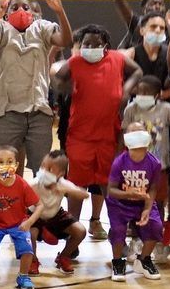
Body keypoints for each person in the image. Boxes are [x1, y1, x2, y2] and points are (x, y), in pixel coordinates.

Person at [52, 24, 142, 241]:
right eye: (87, 44)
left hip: (109, 135)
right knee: (77, 184)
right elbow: (57, 77)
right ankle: (73, 233)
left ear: (106, 46)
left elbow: (137, 71)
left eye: (97, 44)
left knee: (109, 183)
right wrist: (64, 87)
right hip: (79, 136)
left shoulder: (117, 59)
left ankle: (117, 231)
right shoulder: (75, 62)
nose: (91, 47)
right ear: (81, 46)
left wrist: (126, 90)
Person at [0, 0, 73, 172]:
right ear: (6, 14)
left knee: (43, 170)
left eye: (26, 7)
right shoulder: (0, 29)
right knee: (3, 168)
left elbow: (66, 40)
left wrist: (60, 12)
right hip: (7, 112)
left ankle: (39, 192)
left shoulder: (41, 27)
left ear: (32, 13)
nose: (21, 10)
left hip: (38, 111)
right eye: (15, 7)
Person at [121, 75, 170, 260]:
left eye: (146, 92)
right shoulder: (131, 109)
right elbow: (123, 134)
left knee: (158, 203)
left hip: (159, 166)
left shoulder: (166, 109)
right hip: (135, 166)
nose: (142, 95)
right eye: (139, 91)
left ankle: (157, 238)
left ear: (157, 95)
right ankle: (136, 239)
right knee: (135, 203)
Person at [0, 146, 44, 289]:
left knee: (27, 250)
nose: (5, 165)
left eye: (10, 161)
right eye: (0, 162)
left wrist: (29, 222)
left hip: (18, 223)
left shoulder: (22, 184)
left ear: (17, 165)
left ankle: (23, 276)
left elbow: (40, 205)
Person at [105, 123, 164, 282]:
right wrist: (128, 194)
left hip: (142, 203)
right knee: (118, 230)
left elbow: (153, 189)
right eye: (133, 131)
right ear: (126, 138)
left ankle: (144, 259)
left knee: (156, 226)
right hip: (119, 203)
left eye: (140, 131)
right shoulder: (119, 162)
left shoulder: (155, 163)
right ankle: (118, 262)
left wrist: (147, 209)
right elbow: (111, 190)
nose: (137, 134)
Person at [27, 150, 88, 274]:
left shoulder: (62, 184)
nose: (44, 171)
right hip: (35, 216)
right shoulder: (34, 183)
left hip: (56, 216)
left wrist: (64, 189)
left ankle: (63, 257)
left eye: (49, 169)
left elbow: (85, 195)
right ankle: (32, 260)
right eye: (42, 166)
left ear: (61, 173)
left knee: (80, 231)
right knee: (30, 234)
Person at [122, 11, 170, 99]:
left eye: (162, 28)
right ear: (142, 31)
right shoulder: (130, 55)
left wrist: (163, 94)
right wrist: (144, 92)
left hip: (163, 103)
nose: (158, 30)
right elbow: (119, 83)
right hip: (135, 102)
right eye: (153, 26)